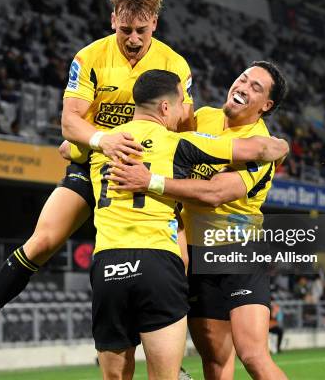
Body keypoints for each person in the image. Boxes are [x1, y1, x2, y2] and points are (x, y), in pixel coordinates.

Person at [0, 0, 195, 362]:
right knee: (43, 241)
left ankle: (171, 357)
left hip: (146, 169)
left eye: (141, 31)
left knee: (178, 255)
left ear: (155, 25)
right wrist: (98, 141)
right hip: (93, 162)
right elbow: (69, 122)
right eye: (125, 29)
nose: (132, 39)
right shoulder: (89, 57)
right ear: (113, 20)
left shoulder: (175, 65)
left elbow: (182, 122)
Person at [85, 69, 288, 379]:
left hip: (238, 249)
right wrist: (92, 140)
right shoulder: (203, 117)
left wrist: (150, 181)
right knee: (215, 358)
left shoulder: (260, 145)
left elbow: (216, 193)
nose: (242, 85)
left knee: (252, 354)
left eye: (255, 86)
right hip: (196, 250)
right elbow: (157, 131)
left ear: (266, 105)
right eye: (243, 77)